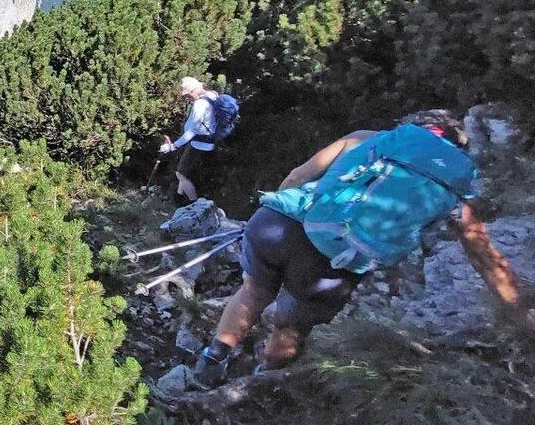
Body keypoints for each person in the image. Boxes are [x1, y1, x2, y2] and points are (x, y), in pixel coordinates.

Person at [191, 109, 533, 388]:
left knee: (253, 290)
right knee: (292, 326)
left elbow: (298, 176)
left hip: (276, 223)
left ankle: (212, 361)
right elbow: (483, 255)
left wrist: (278, 207)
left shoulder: (369, 139)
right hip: (331, 259)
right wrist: (520, 313)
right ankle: (257, 385)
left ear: (411, 129)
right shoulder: (454, 185)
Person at [160, 76, 218, 204]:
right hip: (210, 143)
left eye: (187, 95)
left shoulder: (200, 104)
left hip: (198, 145)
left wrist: (173, 146)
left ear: (193, 91)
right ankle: (179, 199)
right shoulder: (213, 95)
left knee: (181, 174)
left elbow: (191, 131)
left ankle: (194, 205)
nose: (187, 98)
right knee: (185, 174)